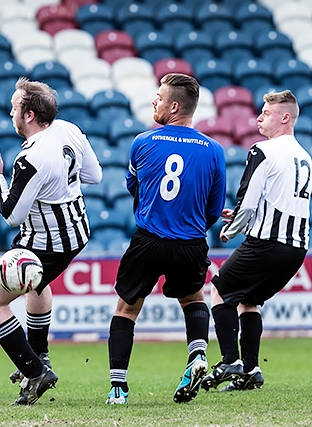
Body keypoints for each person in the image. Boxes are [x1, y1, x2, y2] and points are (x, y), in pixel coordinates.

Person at [0, 77, 103, 405]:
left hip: (45, 242)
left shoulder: (31, 158)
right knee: (37, 284)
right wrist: (60, 183)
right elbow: (95, 176)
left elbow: (11, 214)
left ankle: (34, 372)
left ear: (29, 115)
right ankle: (41, 357)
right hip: (77, 232)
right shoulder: (68, 129)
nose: (10, 112)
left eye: (15, 107)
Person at [105, 73, 227, 405]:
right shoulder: (214, 150)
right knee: (194, 299)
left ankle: (118, 389)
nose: (154, 102)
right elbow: (213, 211)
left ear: (174, 106)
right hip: (190, 243)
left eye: (159, 97)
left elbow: (135, 187)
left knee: (126, 311)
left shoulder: (142, 142)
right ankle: (198, 355)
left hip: (149, 240)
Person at [201, 90, 312, 393]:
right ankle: (251, 371)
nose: (259, 117)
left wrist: (233, 228)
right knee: (249, 301)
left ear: (285, 117)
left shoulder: (262, 150)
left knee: (220, 289)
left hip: (266, 242)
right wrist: (241, 214)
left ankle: (230, 361)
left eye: (266, 112)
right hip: (296, 248)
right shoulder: (305, 156)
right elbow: (277, 200)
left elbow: (249, 201)